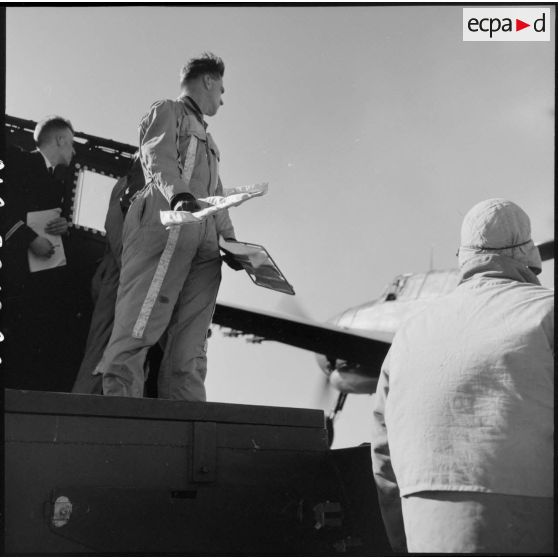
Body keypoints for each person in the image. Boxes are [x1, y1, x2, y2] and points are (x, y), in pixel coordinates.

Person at [371, 198, 553, 554]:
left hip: (427, 534)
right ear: (528, 253)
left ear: (464, 255)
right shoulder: (547, 314)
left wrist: (404, 542)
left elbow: (384, 459)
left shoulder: (409, 331)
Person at [96, 52, 238, 401]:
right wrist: (178, 195)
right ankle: (118, 418)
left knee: (191, 349)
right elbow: (157, 157)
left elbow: (216, 196)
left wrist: (232, 243)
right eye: (221, 86)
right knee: (139, 326)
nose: (223, 96)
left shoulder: (211, 144)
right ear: (208, 80)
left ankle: (187, 424)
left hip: (202, 248)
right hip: (166, 230)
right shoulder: (168, 111)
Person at [1, 116, 76, 390]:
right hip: (12, 276)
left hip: (35, 282)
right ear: (59, 140)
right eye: (71, 144)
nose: (74, 151)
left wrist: (62, 227)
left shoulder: (54, 183)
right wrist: (29, 238)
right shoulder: (18, 161)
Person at [71, 154, 146, 394]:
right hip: (122, 282)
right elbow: (117, 231)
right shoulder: (129, 188)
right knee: (104, 351)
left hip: (123, 281)